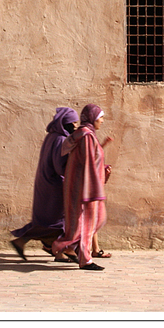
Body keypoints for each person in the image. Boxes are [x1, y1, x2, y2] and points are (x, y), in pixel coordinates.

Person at [9, 107, 80, 262]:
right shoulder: (61, 139)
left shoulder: (52, 136)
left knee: (52, 221)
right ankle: (22, 240)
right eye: (73, 123)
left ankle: (57, 251)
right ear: (66, 123)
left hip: (47, 183)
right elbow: (60, 166)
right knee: (56, 222)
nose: (75, 126)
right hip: (55, 187)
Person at [52, 104, 111, 270]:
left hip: (80, 186)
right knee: (86, 223)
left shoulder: (83, 135)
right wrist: (93, 187)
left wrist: (103, 167)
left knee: (88, 222)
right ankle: (83, 258)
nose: (102, 121)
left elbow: (90, 158)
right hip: (85, 188)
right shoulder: (86, 136)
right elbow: (88, 163)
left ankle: (65, 247)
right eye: (100, 117)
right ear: (92, 118)